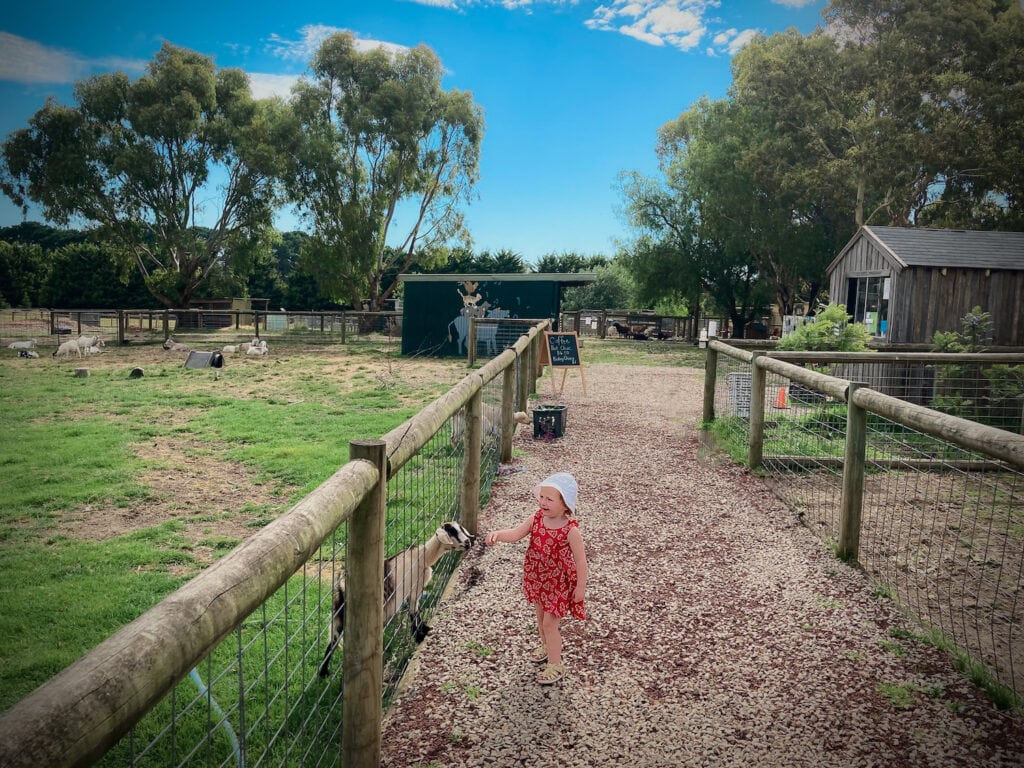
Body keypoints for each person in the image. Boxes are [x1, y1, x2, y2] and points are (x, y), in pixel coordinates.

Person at [485, 472, 588, 685]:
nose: (543, 502)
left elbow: (581, 562)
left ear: (565, 505)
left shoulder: (571, 531)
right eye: (542, 497)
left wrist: (580, 587)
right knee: (541, 620)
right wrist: (498, 535)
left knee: (550, 623)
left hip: (558, 584)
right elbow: (515, 533)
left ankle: (555, 664)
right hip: (538, 579)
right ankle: (546, 645)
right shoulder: (536, 519)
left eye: (549, 499)